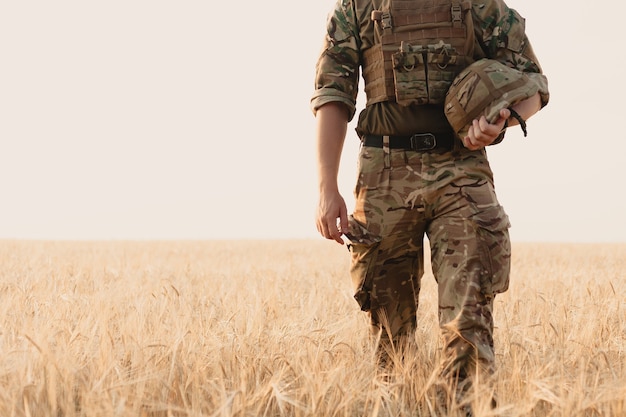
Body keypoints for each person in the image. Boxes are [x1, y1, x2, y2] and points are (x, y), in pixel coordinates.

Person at [311, 0, 549, 412]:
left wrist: (503, 119)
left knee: (468, 317)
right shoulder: (357, 6)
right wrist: (326, 186)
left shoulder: (477, 4)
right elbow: (334, 93)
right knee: (389, 327)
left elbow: (535, 84)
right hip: (384, 171)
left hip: (461, 170)